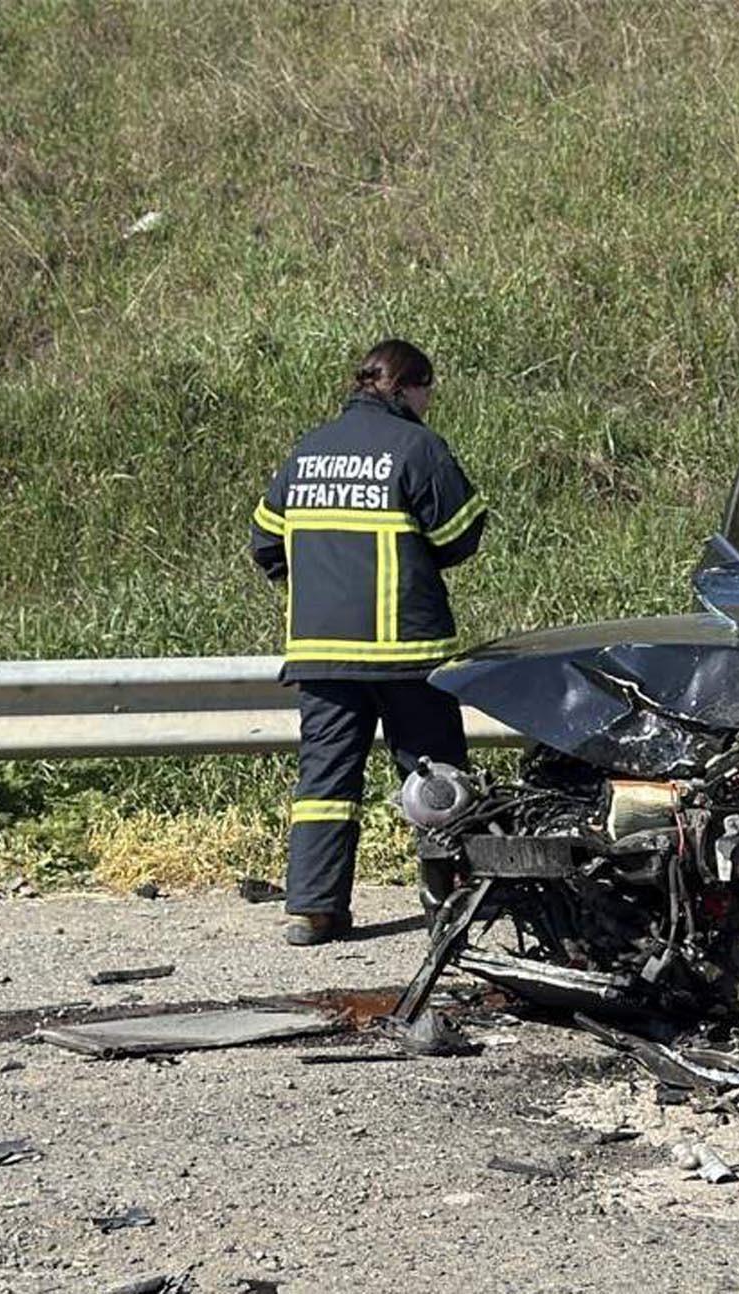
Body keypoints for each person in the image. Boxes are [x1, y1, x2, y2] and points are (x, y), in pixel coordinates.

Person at [251, 340, 487, 947]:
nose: (430, 403)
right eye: (428, 390)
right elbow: (461, 534)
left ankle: (312, 910)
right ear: (408, 387)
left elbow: (266, 543)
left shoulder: (308, 451)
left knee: (325, 784)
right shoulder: (416, 447)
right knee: (436, 778)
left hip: (322, 653)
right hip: (406, 652)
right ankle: (451, 902)